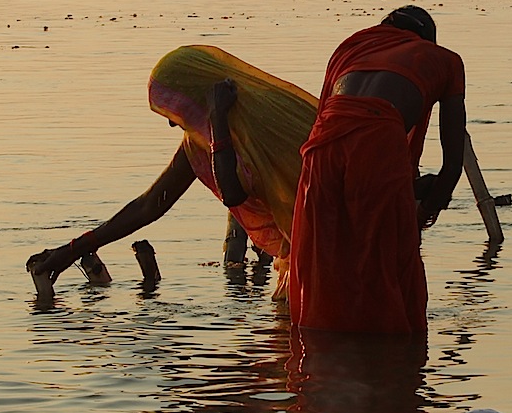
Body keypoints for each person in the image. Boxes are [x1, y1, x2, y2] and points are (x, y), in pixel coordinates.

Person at [28, 45, 317, 286]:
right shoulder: (201, 145)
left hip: (329, 247)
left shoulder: (271, 121)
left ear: (201, 95)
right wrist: (72, 250)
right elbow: (150, 204)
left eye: (177, 110)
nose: (171, 122)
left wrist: (217, 119)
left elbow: (232, 191)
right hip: (302, 258)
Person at [288, 6, 466, 336]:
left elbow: (342, 133)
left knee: (326, 262)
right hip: (379, 141)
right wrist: (420, 215)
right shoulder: (447, 60)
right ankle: (391, 365)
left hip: (319, 150)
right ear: (427, 40)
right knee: (388, 272)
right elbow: (453, 167)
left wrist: (407, 190)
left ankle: (320, 361)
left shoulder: (351, 46)